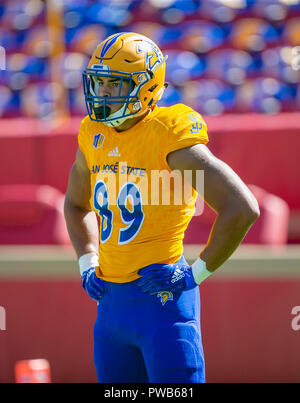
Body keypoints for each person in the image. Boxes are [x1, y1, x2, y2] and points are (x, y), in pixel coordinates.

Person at [64, 32, 260, 383]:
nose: (102, 93)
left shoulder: (169, 133)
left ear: (146, 88)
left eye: (114, 84)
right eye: (99, 82)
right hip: (110, 305)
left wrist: (195, 273)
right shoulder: (93, 132)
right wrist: (86, 261)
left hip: (163, 303)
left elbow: (242, 207)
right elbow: (76, 205)